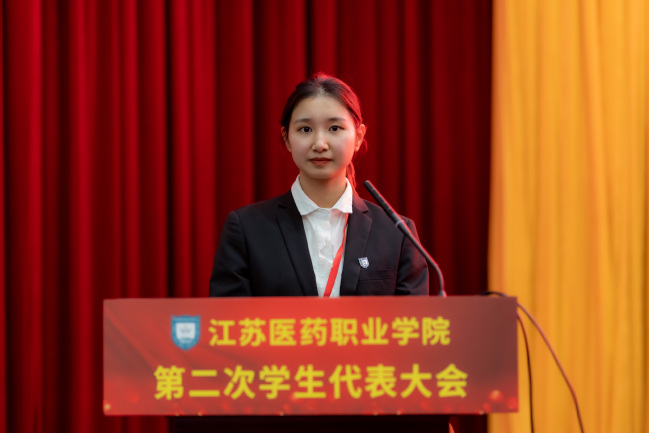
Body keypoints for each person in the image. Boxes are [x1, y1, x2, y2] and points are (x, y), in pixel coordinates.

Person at [209, 73, 428, 297]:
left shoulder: (398, 233)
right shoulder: (247, 230)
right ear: (286, 138)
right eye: (305, 129)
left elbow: (413, 318)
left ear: (359, 136)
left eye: (334, 128)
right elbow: (228, 317)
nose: (320, 144)